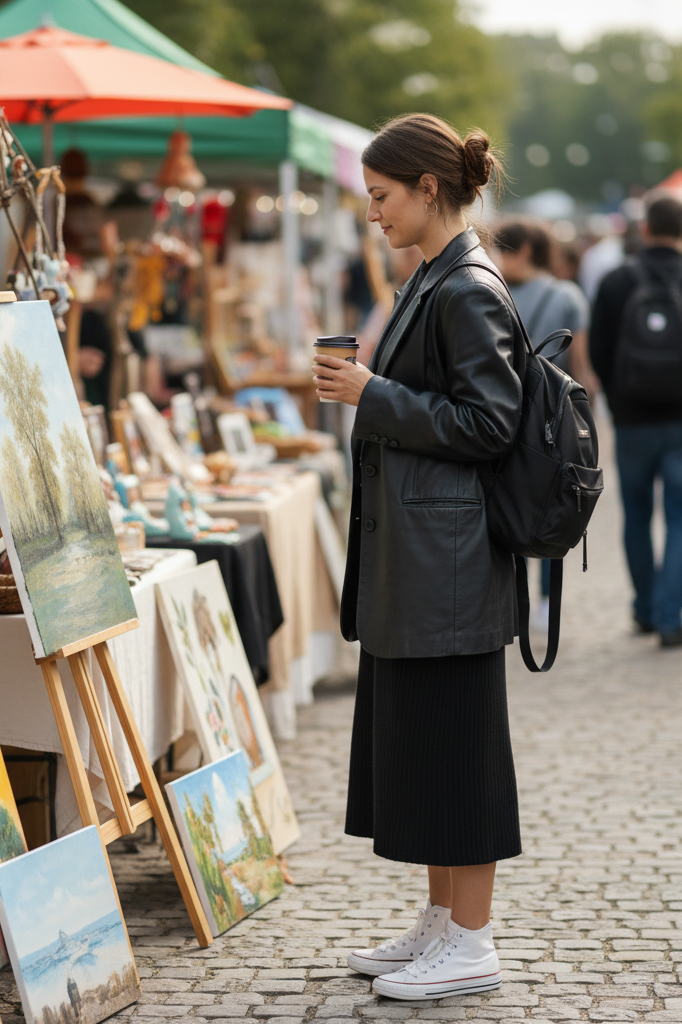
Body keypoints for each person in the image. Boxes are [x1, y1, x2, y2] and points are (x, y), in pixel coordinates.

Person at [312, 113, 525, 1001]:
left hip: (450, 570)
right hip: (424, 562)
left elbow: (491, 424)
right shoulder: (436, 277)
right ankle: (442, 923)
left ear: (428, 189)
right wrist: (379, 393)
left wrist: (373, 393)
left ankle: (471, 942)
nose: (373, 214)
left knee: (458, 754)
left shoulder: (465, 286)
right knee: (428, 754)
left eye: (382, 196)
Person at [590, 196, 682, 646]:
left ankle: (645, 609)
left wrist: (618, 396)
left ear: (644, 230)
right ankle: (671, 616)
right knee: (681, 518)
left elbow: (599, 352)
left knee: (637, 515)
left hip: (631, 421)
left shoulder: (616, 280)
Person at [496, 219, 593, 628]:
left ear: (522, 252)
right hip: (554, 420)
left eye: (503, 251)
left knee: (513, 500)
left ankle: (515, 599)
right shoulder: (567, 295)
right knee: (554, 500)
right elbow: (580, 363)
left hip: (506, 415)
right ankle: (545, 603)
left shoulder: (493, 295)